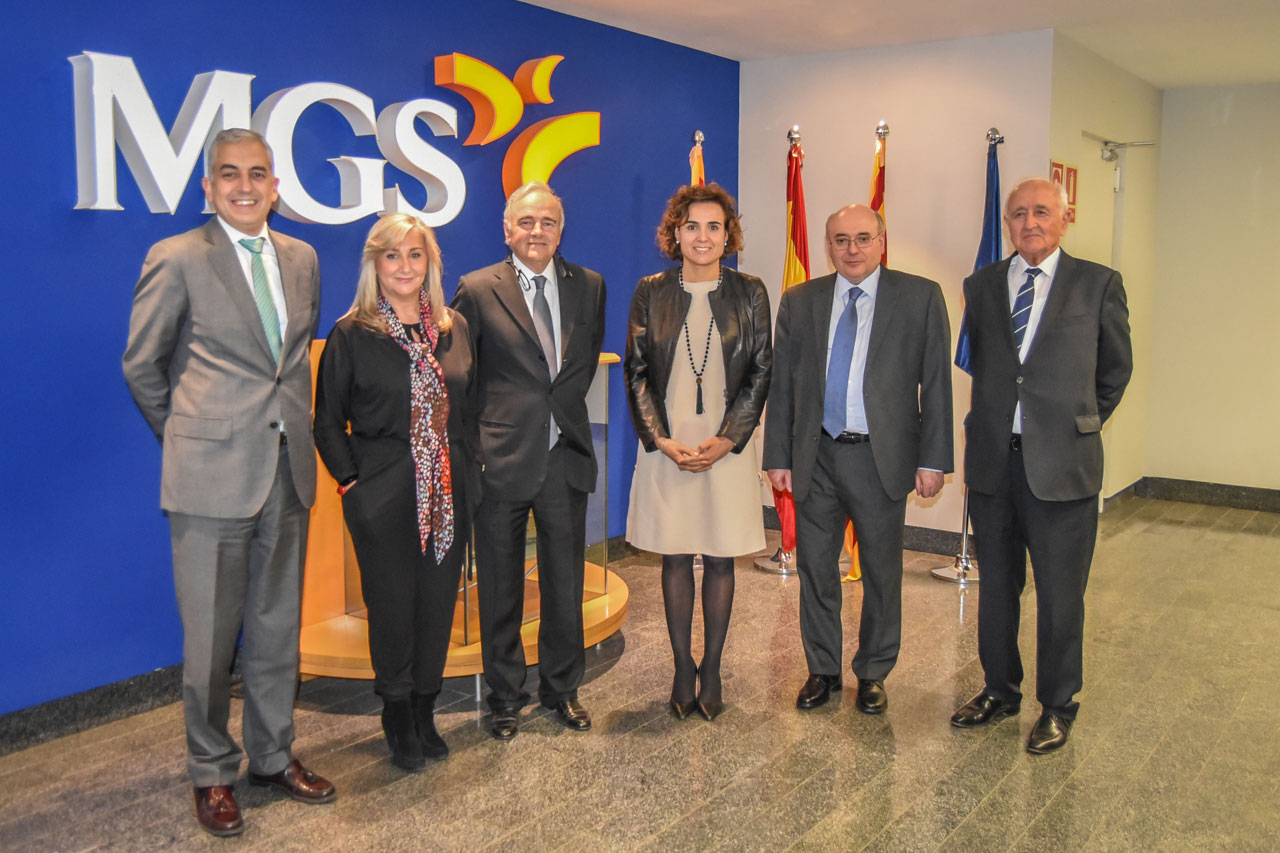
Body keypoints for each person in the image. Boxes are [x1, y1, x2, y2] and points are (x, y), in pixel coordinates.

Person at [122, 128, 334, 838]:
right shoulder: (177, 256)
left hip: (287, 470)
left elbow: (290, 362)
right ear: (208, 187)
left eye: (258, 173)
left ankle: (272, 756)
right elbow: (142, 366)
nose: (246, 186)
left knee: (276, 630)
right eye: (230, 174)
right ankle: (211, 772)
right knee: (211, 641)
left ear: (275, 186)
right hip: (210, 478)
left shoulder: (302, 258)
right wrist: (189, 437)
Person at [950, 178, 1132, 753]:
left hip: (1063, 469)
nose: (1030, 222)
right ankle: (999, 690)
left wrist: (1075, 424)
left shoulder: (1098, 284)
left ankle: (1058, 704)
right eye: (1019, 213)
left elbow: (1115, 372)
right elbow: (990, 367)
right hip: (993, 465)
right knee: (997, 589)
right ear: (1007, 223)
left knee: (1060, 595)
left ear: (1065, 218)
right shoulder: (980, 286)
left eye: (1042, 212)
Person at [763, 203, 952, 716]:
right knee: (815, 570)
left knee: (882, 574)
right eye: (841, 240)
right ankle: (822, 669)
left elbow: (936, 383)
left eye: (863, 238)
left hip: (880, 459)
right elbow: (783, 386)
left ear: (882, 241)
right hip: (816, 457)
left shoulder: (920, 297)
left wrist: (933, 460)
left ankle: (873, 672)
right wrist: (777, 454)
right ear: (827, 245)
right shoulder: (800, 300)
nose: (852, 249)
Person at [313, 214, 478, 771]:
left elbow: (471, 406)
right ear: (375, 265)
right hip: (383, 495)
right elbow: (327, 422)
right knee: (391, 608)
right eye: (392, 256)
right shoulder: (352, 333)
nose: (404, 266)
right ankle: (398, 712)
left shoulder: (453, 328)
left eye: (415, 254)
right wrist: (354, 483)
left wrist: (470, 472)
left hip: (448, 494)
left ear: (430, 262)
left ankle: (426, 706)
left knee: (436, 604)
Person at [451, 182, 606, 741]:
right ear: (507, 229)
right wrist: (475, 452)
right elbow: (462, 378)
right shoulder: (475, 289)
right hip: (500, 460)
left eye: (547, 222)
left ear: (561, 230)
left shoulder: (589, 286)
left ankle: (562, 689)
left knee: (565, 584)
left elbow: (581, 365)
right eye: (526, 221)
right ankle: (505, 697)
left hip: (564, 455)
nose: (537, 231)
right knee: (500, 587)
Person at [625, 183, 772, 722]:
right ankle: (681, 666)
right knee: (675, 553)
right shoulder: (651, 291)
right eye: (692, 226)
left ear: (728, 235)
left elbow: (761, 370)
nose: (703, 236)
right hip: (669, 442)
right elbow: (636, 371)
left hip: (726, 444)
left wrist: (729, 438)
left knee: (719, 555)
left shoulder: (750, 291)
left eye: (714, 226)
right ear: (676, 234)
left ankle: (711, 667)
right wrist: (661, 440)